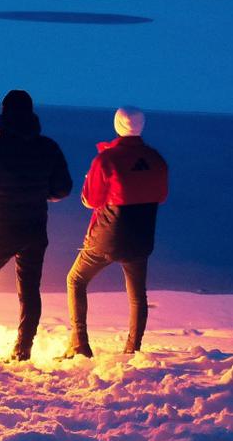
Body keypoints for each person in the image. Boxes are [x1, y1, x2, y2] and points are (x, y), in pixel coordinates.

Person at [0, 90, 72, 367]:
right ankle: (23, 350)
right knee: (30, 290)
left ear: (3, 113)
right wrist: (39, 191)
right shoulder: (48, 147)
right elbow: (63, 188)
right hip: (35, 228)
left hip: (2, 229)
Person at [64, 106, 168, 358]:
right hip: (141, 237)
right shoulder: (156, 159)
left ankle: (80, 344)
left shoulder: (106, 160)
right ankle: (133, 349)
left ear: (118, 125)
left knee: (75, 280)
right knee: (137, 296)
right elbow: (161, 195)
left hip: (107, 237)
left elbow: (90, 199)